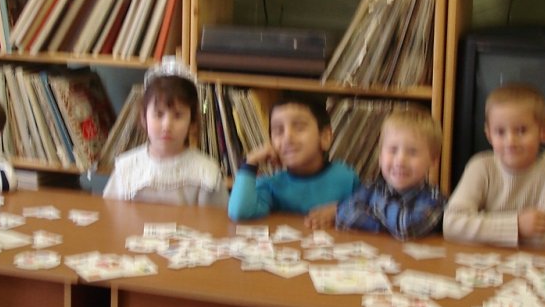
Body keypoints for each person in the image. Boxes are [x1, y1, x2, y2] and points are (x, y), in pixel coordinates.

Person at [443, 82, 545, 248]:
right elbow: (451, 225)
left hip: (530, 261)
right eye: (500, 132)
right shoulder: (480, 166)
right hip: (481, 261)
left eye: (521, 130)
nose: (510, 141)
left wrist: (479, 231)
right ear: (488, 135)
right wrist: (517, 226)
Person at [103, 57, 227, 207]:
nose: (167, 125)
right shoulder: (126, 168)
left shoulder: (206, 172)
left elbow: (216, 219)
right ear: (144, 118)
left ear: (192, 122)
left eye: (178, 115)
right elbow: (110, 214)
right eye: (159, 114)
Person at [228, 92, 359, 227]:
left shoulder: (346, 178)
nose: (287, 138)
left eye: (299, 128)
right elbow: (240, 212)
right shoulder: (272, 185)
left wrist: (340, 209)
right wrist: (251, 162)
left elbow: (366, 209)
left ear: (325, 137)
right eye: (279, 131)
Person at [333, 107, 446, 240]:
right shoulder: (371, 187)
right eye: (393, 150)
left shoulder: (434, 199)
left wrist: (375, 205)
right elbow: (343, 214)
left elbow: (406, 228)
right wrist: (385, 227)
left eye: (412, 152)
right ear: (380, 157)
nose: (400, 160)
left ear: (433, 161)